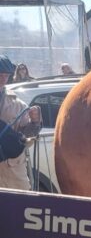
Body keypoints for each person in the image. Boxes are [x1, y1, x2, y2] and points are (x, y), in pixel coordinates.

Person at [0, 55, 42, 190]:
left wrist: (35, 122)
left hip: (11, 172)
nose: (2, 79)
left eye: (5, 75)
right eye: (0, 75)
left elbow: (25, 137)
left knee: (17, 209)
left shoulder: (17, 104)